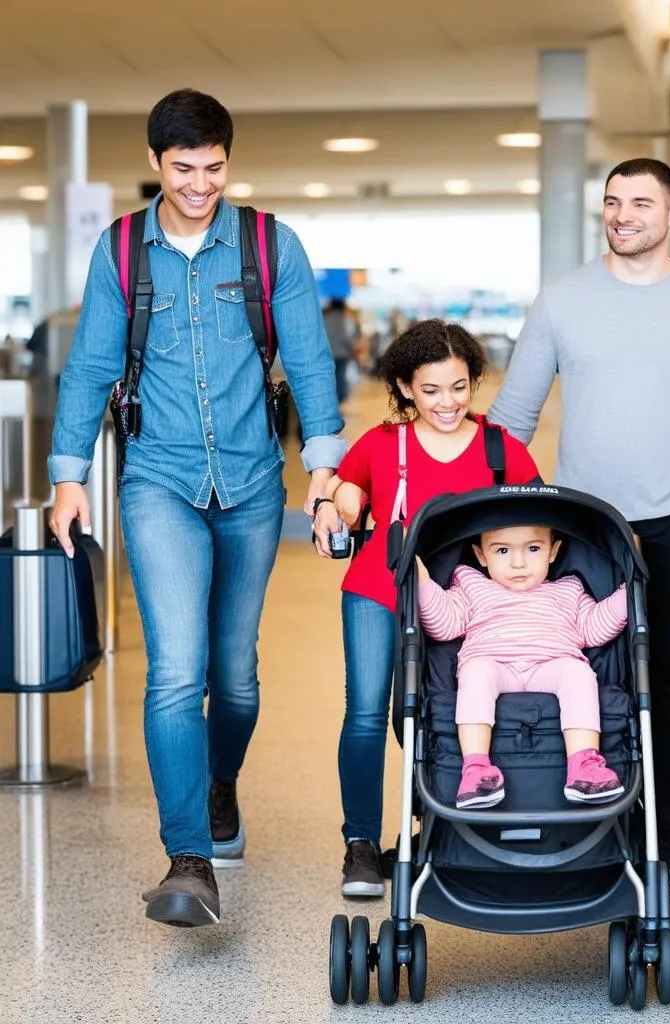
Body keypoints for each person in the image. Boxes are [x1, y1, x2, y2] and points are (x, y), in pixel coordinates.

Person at [47, 89, 345, 928]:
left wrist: (323, 468)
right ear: (155, 163)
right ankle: (188, 858)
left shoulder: (267, 243)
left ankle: (219, 784)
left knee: (236, 680)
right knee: (176, 673)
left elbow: (312, 363)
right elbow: (90, 367)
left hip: (253, 484)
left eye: (215, 168)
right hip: (158, 483)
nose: (200, 184)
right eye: (184, 169)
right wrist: (69, 475)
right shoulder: (119, 253)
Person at [488, 157, 670, 899]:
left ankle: (656, 841)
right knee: (588, 679)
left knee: (667, 681)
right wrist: (490, 519)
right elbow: (513, 417)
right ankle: (586, 828)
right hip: (584, 526)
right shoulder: (563, 300)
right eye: (612, 201)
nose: (622, 213)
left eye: (640, 202)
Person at [311, 320, 541, 897]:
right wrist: (336, 500)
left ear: (475, 383)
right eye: (432, 390)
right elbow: (348, 491)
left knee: (428, 714)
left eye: (460, 387)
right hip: (379, 590)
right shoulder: (385, 444)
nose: (448, 402)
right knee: (366, 713)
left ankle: (431, 819)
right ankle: (361, 846)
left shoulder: (500, 450)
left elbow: (541, 520)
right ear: (407, 387)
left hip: (465, 603)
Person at [416, 524, 627, 808]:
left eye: (533, 548)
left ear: (553, 551)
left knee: (579, 674)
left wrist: (627, 596)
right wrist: (422, 582)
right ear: (480, 555)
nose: (518, 562)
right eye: (502, 550)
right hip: (494, 662)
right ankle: (476, 768)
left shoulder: (569, 589)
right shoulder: (471, 584)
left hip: (552, 663)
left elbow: (593, 628)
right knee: (476, 673)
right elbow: (444, 624)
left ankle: (585, 764)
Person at [323, 297, 358, 404]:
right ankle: (338, 400)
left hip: (327, 353)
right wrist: (352, 349)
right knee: (340, 378)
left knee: (329, 378)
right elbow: (347, 337)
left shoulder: (324, 318)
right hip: (342, 354)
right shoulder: (345, 319)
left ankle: (331, 401)